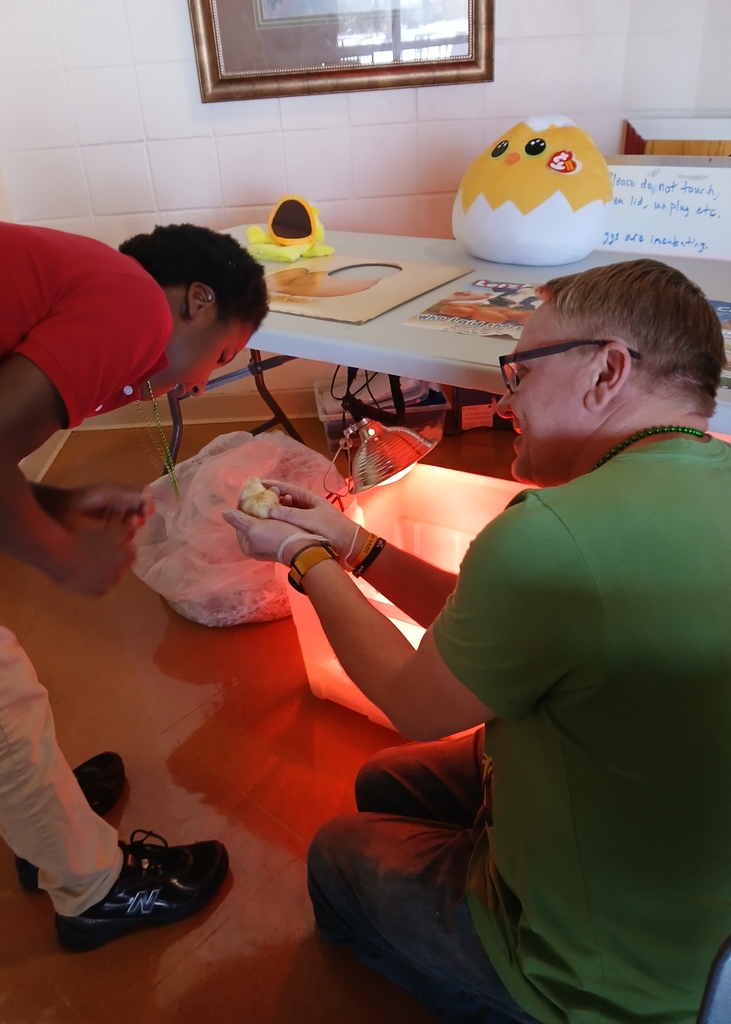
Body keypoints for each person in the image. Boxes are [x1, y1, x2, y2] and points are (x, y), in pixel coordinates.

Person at [223, 257, 731, 1023]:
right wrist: (353, 545)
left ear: (608, 370)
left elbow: (413, 701)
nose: (505, 394)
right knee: (385, 786)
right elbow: (502, 624)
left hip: (608, 979)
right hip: (698, 919)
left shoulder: (551, 533)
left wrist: (302, 556)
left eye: (520, 371)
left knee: (335, 850)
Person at [0, 215, 267, 952]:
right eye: (222, 354)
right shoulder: (129, 302)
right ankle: (94, 889)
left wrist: (56, 504)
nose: (197, 385)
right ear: (196, 299)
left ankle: (46, 814)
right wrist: (66, 557)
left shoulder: (74, 290)